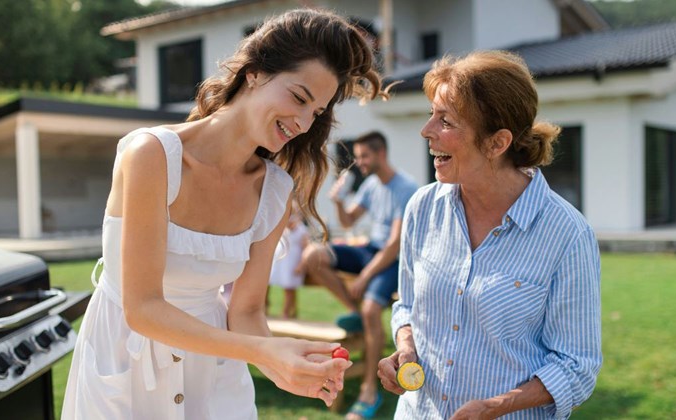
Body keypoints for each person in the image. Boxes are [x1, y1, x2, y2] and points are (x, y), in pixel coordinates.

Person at [61, 9, 386, 420]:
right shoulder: (152, 156)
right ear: (254, 73)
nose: (304, 122)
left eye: (317, 112)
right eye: (299, 98)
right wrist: (263, 351)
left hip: (214, 369)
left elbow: (246, 311)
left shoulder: (274, 192)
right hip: (125, 359)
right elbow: (142, 308)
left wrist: (283, 369)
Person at [377, 50, 602, 419]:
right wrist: (404, 347)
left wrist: (494, 407)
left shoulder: (567, 234)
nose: (427, 130)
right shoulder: (422, 207)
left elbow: (576, 366)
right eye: (431, 115)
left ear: (497, 143)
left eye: (445, 121)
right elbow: (407, 306)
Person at [300, 131, 418, 419]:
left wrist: (365, 276)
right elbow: (349, 220)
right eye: (358, 156)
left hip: (395, 258)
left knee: (371, 308)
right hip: (370, 249)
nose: (359, 162)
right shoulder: (371, 185)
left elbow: (394, 244)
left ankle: (369, 390)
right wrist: (338, 201)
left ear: (380, 154)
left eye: (364, 156)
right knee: (314, 256)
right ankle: (359, 317)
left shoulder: (406, 187)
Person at [267, 201, 309, 319]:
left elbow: (306, 249)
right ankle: (265, 307)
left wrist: (301, 265)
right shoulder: (282, 229)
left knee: (289, 289)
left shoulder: (302, 231)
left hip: (292, 264)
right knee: (268, 285)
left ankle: (287, 312)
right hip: (280, 264)